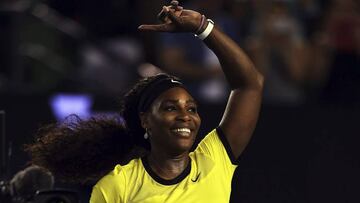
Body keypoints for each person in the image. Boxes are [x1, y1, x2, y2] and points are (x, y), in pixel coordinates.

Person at [25, 1, 264, 202]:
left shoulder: (214, 160)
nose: (186, 116)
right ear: (146, 120)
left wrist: (203, 28)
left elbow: (250, 84)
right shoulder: (118, 185)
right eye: (170, 108)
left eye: (192, 108)